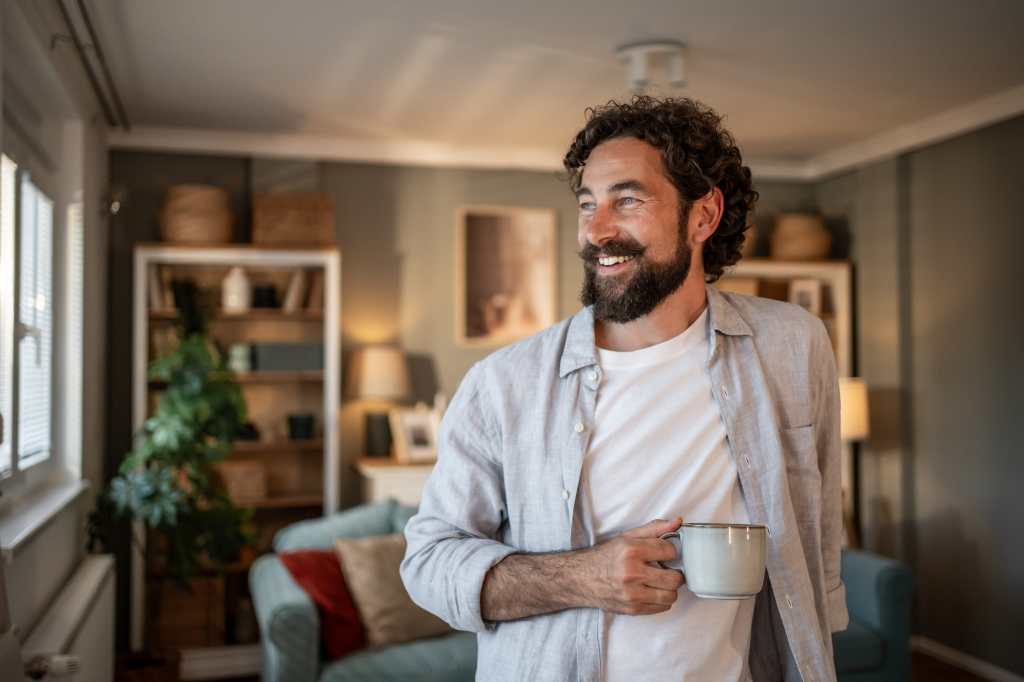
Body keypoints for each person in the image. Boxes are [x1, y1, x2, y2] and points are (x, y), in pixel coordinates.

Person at [401, 96, 847, 681]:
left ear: (703, 216)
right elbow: (430, 563)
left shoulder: (791, 347)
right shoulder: (503, 384)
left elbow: (817, 535)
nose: (596, 230)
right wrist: (584, 576)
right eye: (588, 204)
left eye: (628, 200)